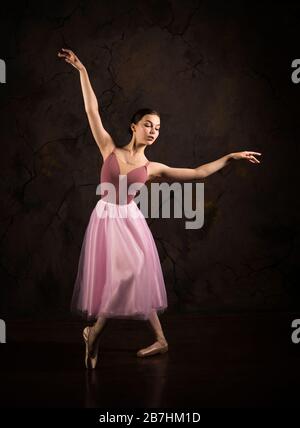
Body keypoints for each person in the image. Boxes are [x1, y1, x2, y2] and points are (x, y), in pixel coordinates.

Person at [58, 48, 262, 369]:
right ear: (134, 126)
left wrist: (230, 157)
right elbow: (91, 109)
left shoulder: (152, 167)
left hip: (130, 221)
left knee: (135, 273)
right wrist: (82, 70)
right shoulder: (108, 148)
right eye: (148, 125)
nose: (153, 131)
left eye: (157, 128)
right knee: (119, 278)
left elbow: (197, 173)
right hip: (106, 220)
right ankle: (120, 336)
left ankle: (97, 333)